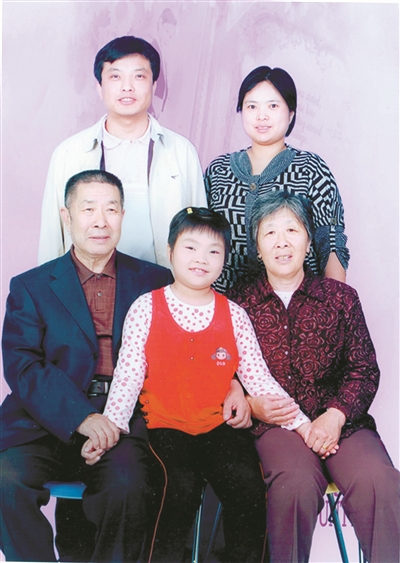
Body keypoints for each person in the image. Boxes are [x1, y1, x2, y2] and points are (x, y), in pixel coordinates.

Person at [82, 207, 310, 563]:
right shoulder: (146, 308)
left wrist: (304, 426)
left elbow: (259, 379)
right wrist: (108, 432)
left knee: (248, 487)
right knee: (178, 487)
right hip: (164, 429)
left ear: (224, 259)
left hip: (219, 429)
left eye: (213, 251)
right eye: (190, 248)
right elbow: (126, 379)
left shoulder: (234, 315)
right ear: (170, 251)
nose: (201, 259)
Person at [0, 170, 173, 562]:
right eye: (88, 208)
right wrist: (82, 417)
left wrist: (112, 420)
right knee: (5, 479)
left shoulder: (155, 280)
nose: (100, 221)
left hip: (122, 419)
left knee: (128, 485)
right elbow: (23, 366)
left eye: (111, 209)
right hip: (46, 419)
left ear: (123, 216)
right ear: (67, 217)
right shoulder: (31, 286)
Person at [228, 190, 400, 563]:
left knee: (380, 481)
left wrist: (335, 416)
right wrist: (251, 404)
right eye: (269, 232)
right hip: (276, 425)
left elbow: (363, 369)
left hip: (342, 424)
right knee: (294, 486)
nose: (282, 242)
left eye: (292, 230)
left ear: (308, 241)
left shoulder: (340, 298)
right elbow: (225, 370)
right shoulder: (238, 303)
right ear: (257, 247)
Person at [38, 35, 206, 267]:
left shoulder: (181, 151)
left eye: (139, 76)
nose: (127, 87)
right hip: (86, 282)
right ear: (100, 87)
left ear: (154, 86)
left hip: (164, 281)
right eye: (115, 76)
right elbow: (52, 234)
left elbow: (200, 231)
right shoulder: (69, 153)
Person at [205, 66, 350, 292]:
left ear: (291, 113)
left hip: (297, 303)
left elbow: (331, 241)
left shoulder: (311, 168)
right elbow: (201, 238)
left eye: (273, 106)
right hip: (226, 301)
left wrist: (335, 303)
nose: (261, 116)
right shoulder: (218, 170)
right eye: (251, 106)